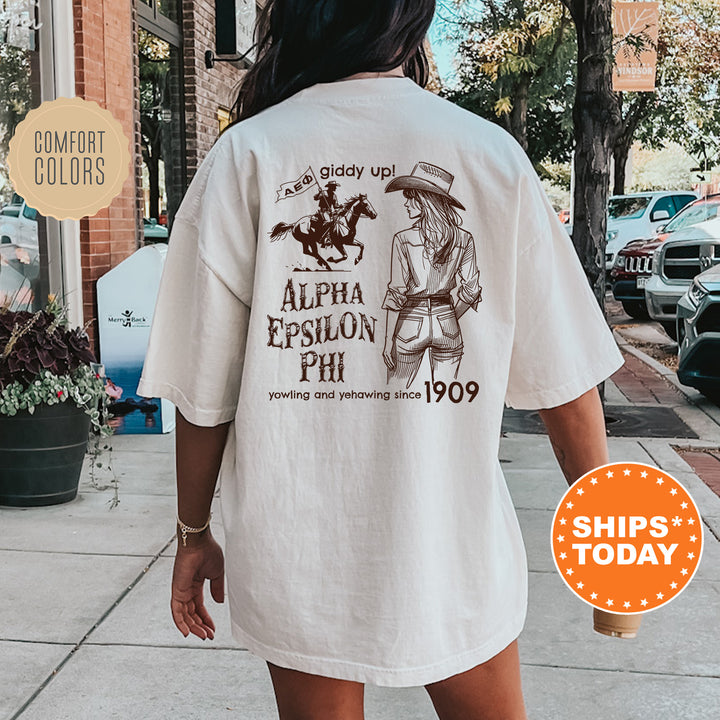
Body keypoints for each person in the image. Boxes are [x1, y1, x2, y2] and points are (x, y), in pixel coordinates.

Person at [138, 2, 624, 718]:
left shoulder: (246, 156)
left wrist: (192, 533)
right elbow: (566, 381)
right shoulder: (490, 157)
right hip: (452, 550)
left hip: (301, 551)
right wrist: (608, 543)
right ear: (413, 18)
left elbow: (204, 393)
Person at [382, 162, 481, 388]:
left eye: (411, 196)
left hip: (410, 322)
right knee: (447, 401)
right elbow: (472, 290)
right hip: (447, 323)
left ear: (425, 201)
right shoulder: (464, 239)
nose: (406, 203)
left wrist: (389, 341)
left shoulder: (403, 239)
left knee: (396, 396)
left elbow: (396, 293)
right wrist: (448, 316)